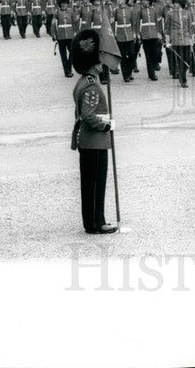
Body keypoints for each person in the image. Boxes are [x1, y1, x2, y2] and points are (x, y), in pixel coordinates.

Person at [69, 29, 117, 236]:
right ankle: (98, 222)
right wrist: (105, 125)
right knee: (96, 185)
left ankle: (91, 223)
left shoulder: (83, 82)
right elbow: (88, 115)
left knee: (89, 185)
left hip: (87, 141)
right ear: (95, 63)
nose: (102, 64)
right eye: (100, 61)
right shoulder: (92, 87)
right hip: (95, 141)